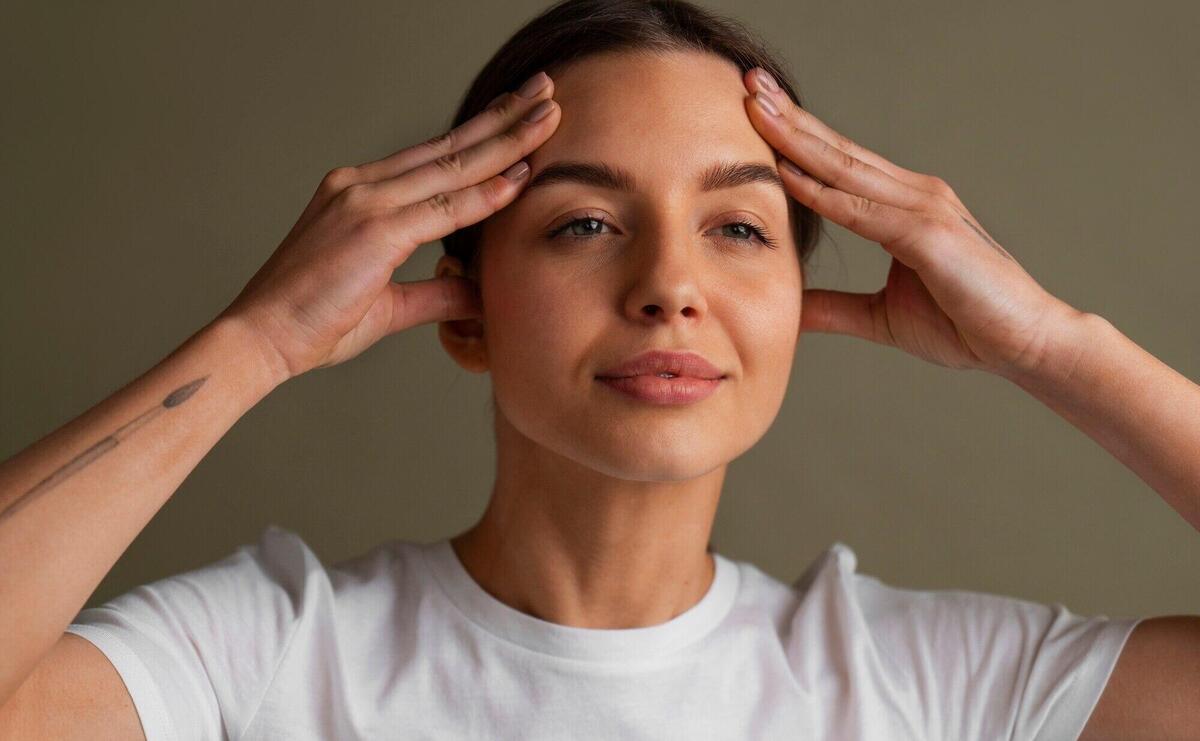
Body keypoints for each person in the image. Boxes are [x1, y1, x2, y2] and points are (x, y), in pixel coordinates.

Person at [2, 0, 1198, 738]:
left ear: (793, 300)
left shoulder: (931, 690)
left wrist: (1051, 343)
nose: (670, 285)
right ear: (463, 310)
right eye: (583, 223)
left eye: (738, 228)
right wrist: (254, 345)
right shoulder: (264, 656)